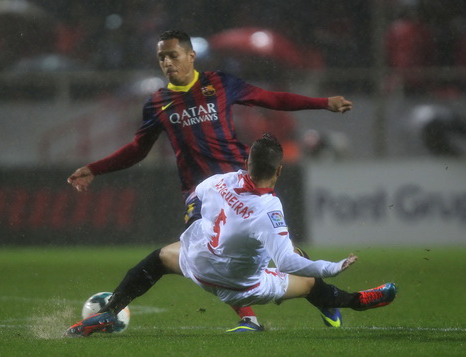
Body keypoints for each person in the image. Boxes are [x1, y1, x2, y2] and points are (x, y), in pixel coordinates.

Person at [67, 30, 353, 331]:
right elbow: (138, 149)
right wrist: (96, 168)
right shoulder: (158, 103)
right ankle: (251, 319)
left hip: (243, 183)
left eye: (173, 55)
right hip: (199, 191)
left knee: (283, 252)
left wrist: (322, 103)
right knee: (210, 252)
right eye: (161, 57)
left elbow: (270, 99)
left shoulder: (219, 84)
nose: (167, 62)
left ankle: (321, 297)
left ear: (191, 56)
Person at [65, 134, 397, 337]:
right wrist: (332, 266)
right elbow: (287, 260)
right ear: (279, 170)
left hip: (195, 261)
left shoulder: (220, 181)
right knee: (308, 276)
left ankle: (111, 309)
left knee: (160, 257)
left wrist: (199, 227)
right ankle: (354, 302)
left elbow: (193, 200)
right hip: (239, 286)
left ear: (247, 162)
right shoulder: (269, 208)